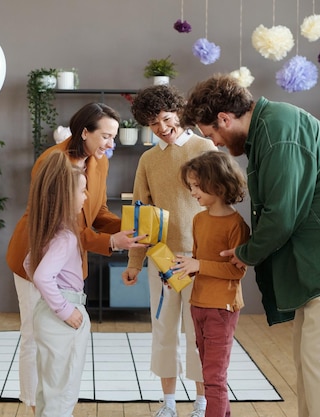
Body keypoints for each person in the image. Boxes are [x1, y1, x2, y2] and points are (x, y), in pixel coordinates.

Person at [181, 74, 320, 417]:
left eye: (213, 135)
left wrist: (245, 253)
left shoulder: (278, 132)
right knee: (310, 360)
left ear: (224, 117)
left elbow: (282, 215)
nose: (218, 144)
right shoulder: (269, 129)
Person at [6, 102, 147, 412]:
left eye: (114, 136)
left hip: (64, 258)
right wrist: (111, 241)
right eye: (106, 136)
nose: (111, 144)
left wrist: (132, 228)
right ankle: (34, 405)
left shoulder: (99, 162)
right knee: (33, 335)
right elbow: (60, 224)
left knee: (57, 347)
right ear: (84, 132)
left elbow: (96, 213)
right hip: (38, 253)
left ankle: (48, 406)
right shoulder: (52, 160)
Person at [121, 84, 217, 417]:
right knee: (163, 331)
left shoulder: (205, 147)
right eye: (154, 123)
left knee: (197, 333)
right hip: (160, 258)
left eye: (166, 118)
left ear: (178, 111)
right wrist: (134, 261)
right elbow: (139, 209)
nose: (162, 127)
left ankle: (202, 402)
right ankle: (169, 403)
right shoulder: (148, 159)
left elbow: (222, 202)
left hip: (198, 259)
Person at [174, 151, 250, 417]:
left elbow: (236, 271)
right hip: (199, 305)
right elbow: (198, 261)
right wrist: (181, 271)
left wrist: (199, 266)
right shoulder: (198, 220)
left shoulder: (236, 225)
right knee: (210, 375)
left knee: (214, 379)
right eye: (191, 186)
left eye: (197, 186)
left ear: (217, 185)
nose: (193, 192)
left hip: (222, 308)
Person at [23, 150, 89, 416]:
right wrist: (64, 309)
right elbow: (40, 275)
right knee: (63, 392)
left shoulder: (49, 232)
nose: (86, 198)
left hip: (46, 313)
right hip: (63, 314)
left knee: (49, 389)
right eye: (82, 192)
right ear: (65, 197)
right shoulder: (65, 237)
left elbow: (30, 264)